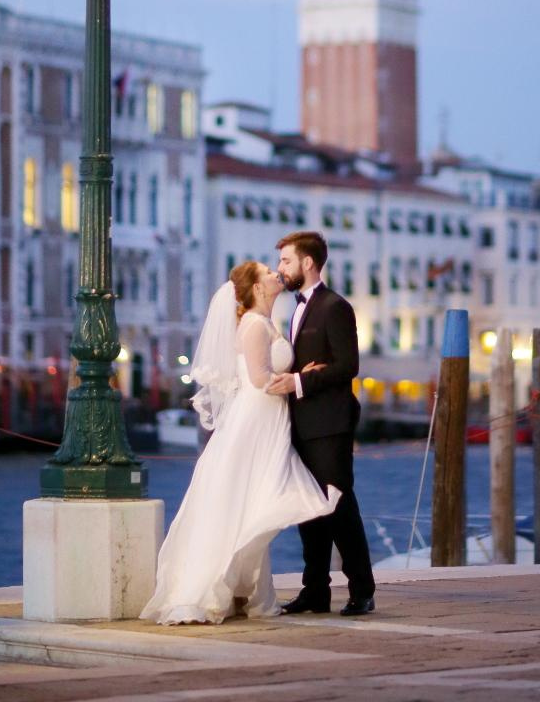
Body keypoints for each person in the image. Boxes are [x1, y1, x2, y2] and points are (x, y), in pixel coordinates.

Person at [140, 261, 339, 625]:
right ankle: (212, 584)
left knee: (251, 497)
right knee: (248, 494)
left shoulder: (264, 321)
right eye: (267, 271)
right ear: (256, 287)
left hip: (268, 416)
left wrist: (297, 377)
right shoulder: (252, 325)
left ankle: (243, 585)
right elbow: (261, 378)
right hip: (257, 417)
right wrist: (300, 377)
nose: (275, 273)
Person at [267, 231, 376, 616]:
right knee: (308, 510)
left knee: (338, 506)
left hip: (330, 424)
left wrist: (299, 380)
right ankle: (315, 591)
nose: (280, 268)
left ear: (307, 263)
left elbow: (349, 366)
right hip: (298, 423)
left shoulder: (335, 307)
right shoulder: (293, 308)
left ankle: (362, 590)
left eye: (286, 261)